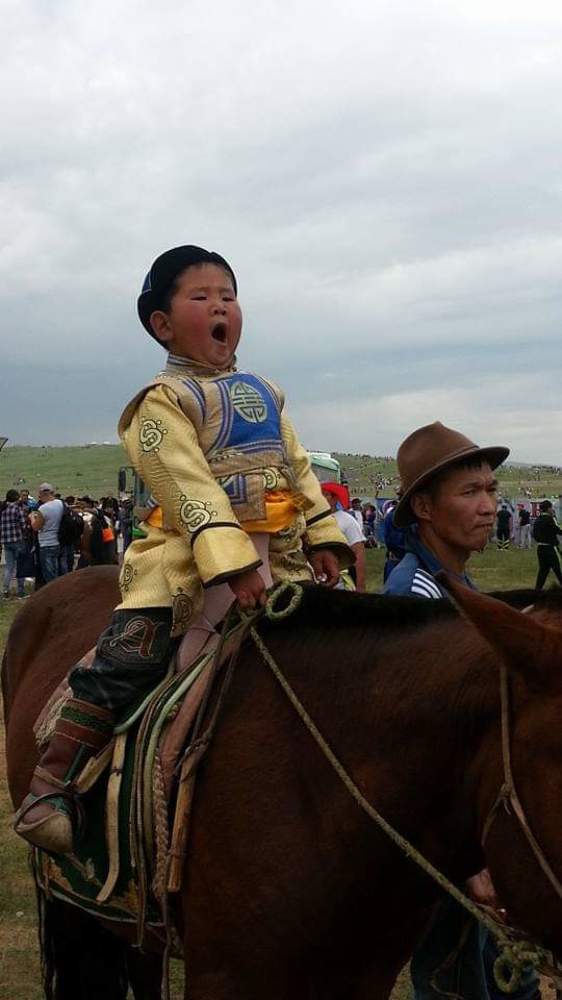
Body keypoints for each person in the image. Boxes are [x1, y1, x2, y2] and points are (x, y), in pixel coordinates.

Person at [16, 243, 352, 854]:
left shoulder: (266, 393)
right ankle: (51, 783)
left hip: (285, 554)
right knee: (130, 654)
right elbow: (182, 481)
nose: (221, 306)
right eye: (202, 298)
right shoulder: (162, 401)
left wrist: (327, 535)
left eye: (228, 295)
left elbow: (298, 470)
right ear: (163, 325)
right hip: (187, 561)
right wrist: (232, 563)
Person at [383, 422, 538, 1000]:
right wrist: (468, 863)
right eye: (470, 492)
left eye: (492, 491)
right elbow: (412, 751)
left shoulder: (457, 586)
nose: (489, 506)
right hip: (453, 855)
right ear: (423, 506)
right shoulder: (414, 600)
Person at [321, 483, 366, 591]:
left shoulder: (348, 521)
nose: (321, 498)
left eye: (325, 495)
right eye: (319, 495)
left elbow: (358, 554)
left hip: (340, 582)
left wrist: (360, 587)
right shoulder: (313, 520)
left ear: (335, 499)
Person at [29, 483, 63, 584]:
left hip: (46, 543)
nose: (39, 498)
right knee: (56, 570)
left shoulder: (43, 509)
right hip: (57, 541)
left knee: (49, 574)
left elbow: (36, 527)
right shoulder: (59, 503)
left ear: (43, 494)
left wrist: (32, 518)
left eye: (39, 496)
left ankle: (53, 595)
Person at [1, 489, 27, 598]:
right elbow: (23, 525)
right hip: (17, 540)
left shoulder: (2, 509)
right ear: (16, 498)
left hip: (6, 541)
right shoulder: (17, 509)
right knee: (20, 566)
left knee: (9, 567)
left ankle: (5, 590)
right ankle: (21, 591)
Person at [532, 499, 562, 589]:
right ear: (548, 508)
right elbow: (557, 530)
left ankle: (537, 589)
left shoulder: (538, 520)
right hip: (550, 547)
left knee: (543, 570)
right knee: (557, 569)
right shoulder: (549, 519)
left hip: (540, 548)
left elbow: (535, 535)